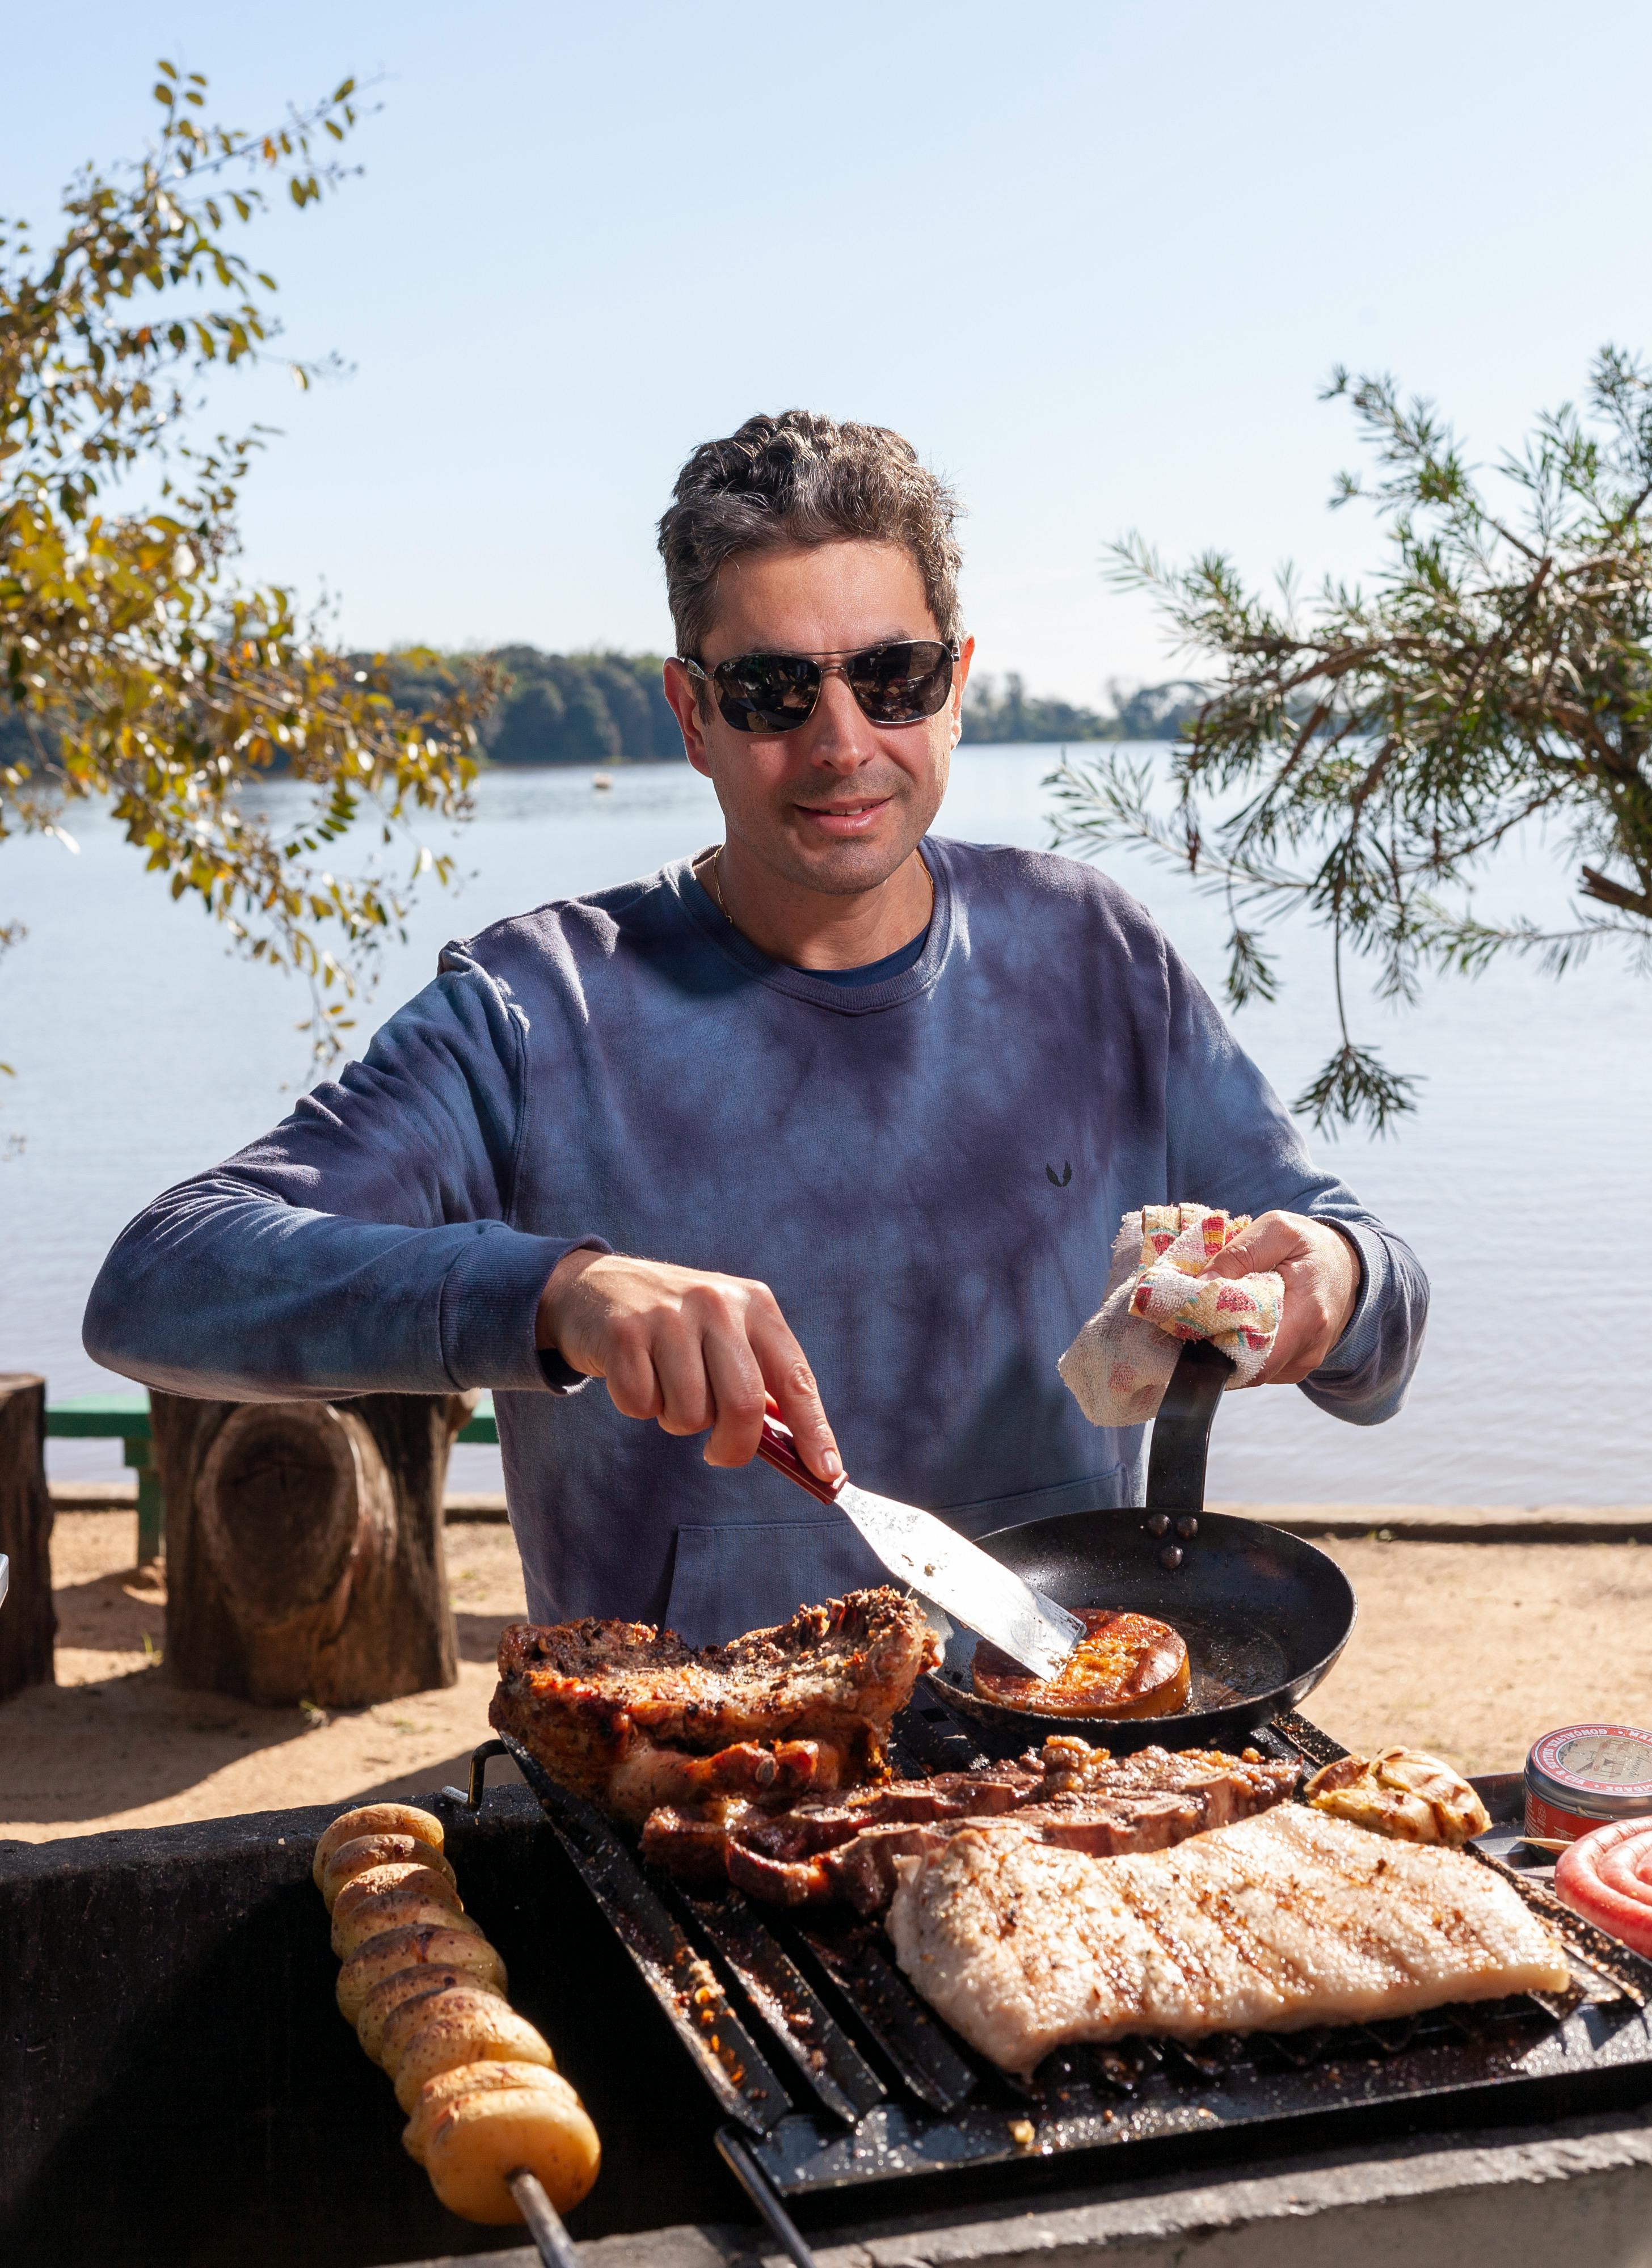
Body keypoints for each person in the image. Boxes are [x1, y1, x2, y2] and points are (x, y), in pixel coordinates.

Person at [84, 412, 1427, 1643]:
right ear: (692, 717)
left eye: (891, 675)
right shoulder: (534, 1007)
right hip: (689, 1811)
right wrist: (559, 1295)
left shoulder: (1095, 955)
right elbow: (160, 1278)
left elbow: (1374, 1322)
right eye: (775, 692)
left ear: (955, 683)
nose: (843, 743)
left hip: (1062, 1765)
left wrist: (1337, 1278)